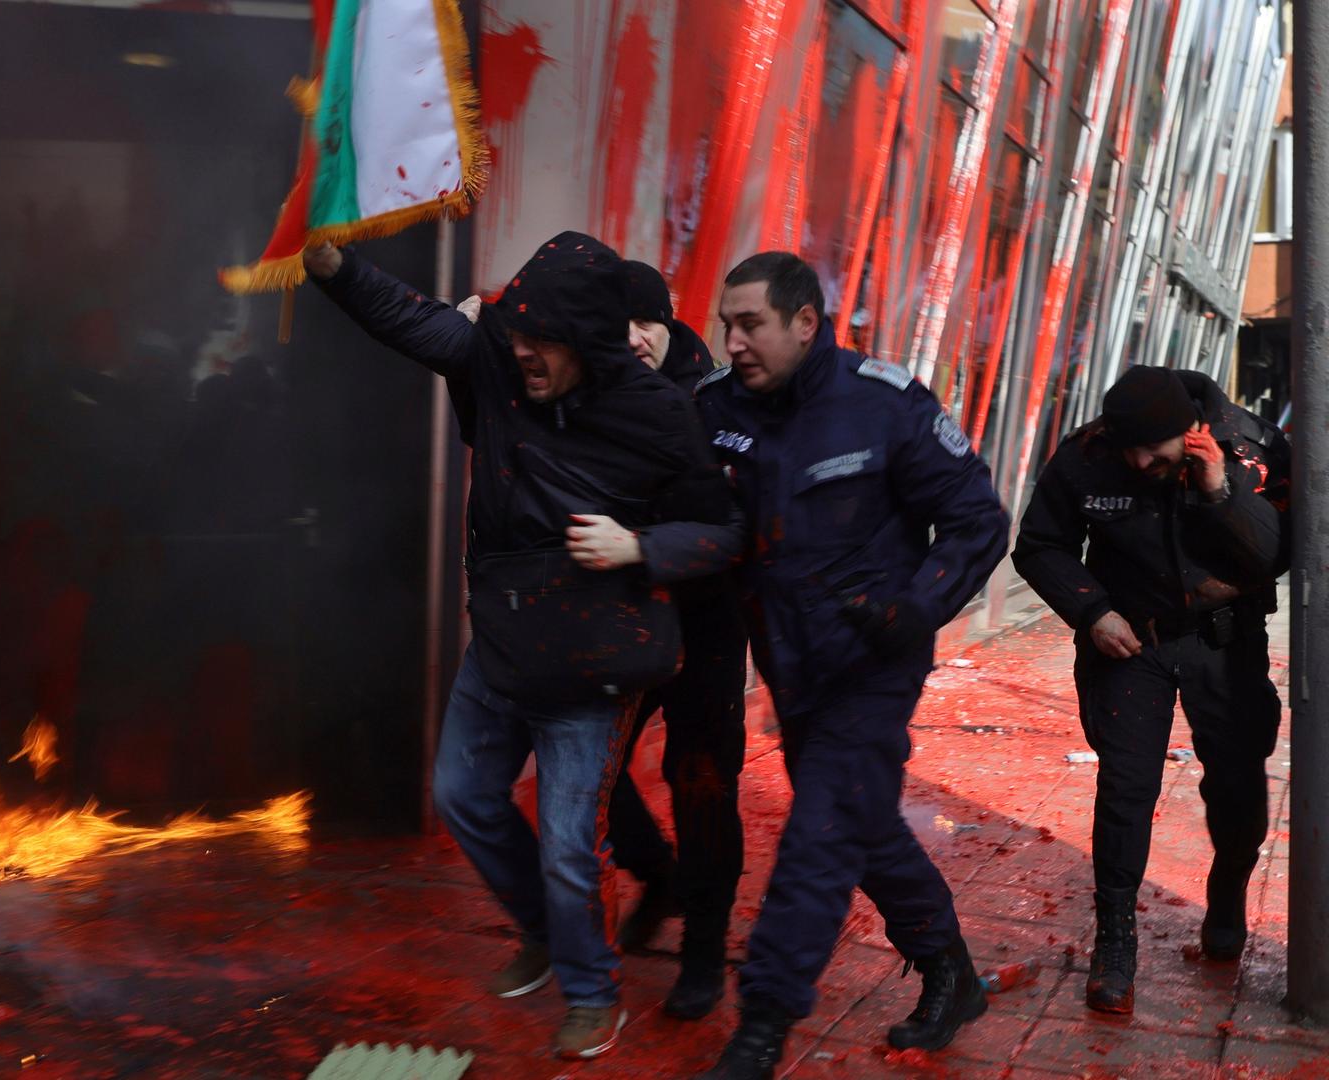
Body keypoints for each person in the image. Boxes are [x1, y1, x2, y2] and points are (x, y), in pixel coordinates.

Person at [304, 233, 740, 1059]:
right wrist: (333, 269)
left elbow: (722, 532)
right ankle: (547, 931)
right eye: (514, 337)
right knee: (462, 795)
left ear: (588, 338)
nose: (523, 355)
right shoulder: (499, 365)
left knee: (573, 846)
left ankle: (591, 992)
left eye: (542, 342)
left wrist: (642, 547)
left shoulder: (658, 413)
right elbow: (411, 320)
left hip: (598, 661)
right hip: (505, 640)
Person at [691, 252, 1008, 1078]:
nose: (733, 340)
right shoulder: (714, 407)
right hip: (788, 662)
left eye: (750, 322)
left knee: (822, 829)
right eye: (726, 323)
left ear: (804, 322)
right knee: (858, 823)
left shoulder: (882, 404)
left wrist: (916, 606)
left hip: (873, 658)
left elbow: (977, 520)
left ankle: (762, 1024)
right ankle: (950, 970)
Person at [1011, 364, 1289, 1014]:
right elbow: (1040, 544)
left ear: (1192, 432)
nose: (1138, 461)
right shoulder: (1089, 453)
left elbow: (1277, 554)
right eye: (1127, 447)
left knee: (1237, 782)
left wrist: (1222, 491)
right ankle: (1115, 944)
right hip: (1129, 639)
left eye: (1153, 450)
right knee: (1125, 789)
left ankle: (1225, 903)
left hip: (1225, 642)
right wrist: (1091, 610)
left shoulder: (1251, 447)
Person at [566, 261, 750, 1022]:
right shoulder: (593, 395)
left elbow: (735, 531)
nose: (634, 338)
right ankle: (658, 874)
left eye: (647, 321)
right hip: (623, 623)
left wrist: (644, 545)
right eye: (619, 326)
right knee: (587, 778)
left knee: (702, 787)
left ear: (671, 322)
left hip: (705, 626)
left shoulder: (717, 403)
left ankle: (702, 954)